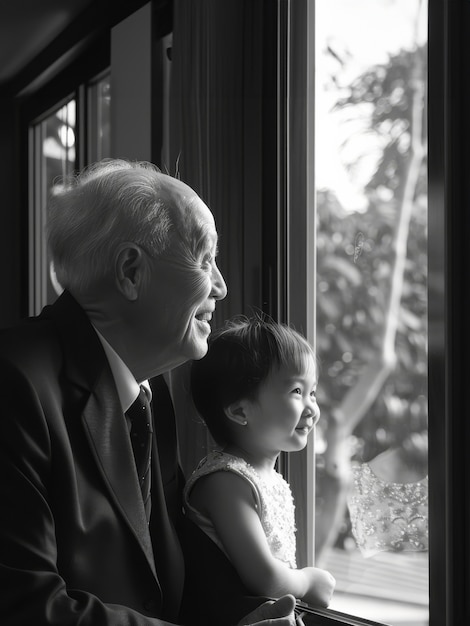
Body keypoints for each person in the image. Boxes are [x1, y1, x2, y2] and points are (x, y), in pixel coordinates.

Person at [0, 159, 300, 626]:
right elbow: (26, 608)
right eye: (205, 260)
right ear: (131, 272)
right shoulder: (13, 384)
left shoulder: (147, 393)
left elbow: (171, 568)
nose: (222, 286)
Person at [180, 316, 336, 625]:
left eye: (312, 392)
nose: (311, 407)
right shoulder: (226, 482)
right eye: (296, 391)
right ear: (240, 411)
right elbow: (264, 577)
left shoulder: (266, 478)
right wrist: (307, 581)